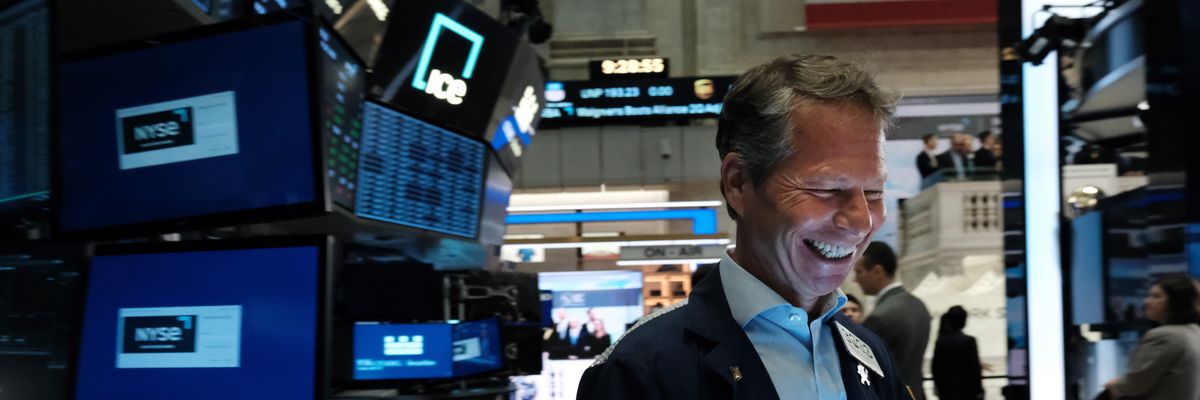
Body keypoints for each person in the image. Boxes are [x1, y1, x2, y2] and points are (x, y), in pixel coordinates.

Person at [578, 54, 913, 400]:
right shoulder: (642, 369)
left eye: (874, 191)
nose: (861, 220)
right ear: (738, 183)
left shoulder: (872, 358)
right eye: (826, 188)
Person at [854, 241, 932, 400]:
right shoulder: (918, 305)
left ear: (877, 271)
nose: (856, 279)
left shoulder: (880, 317)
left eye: (859, 271)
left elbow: (864, 374)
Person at [1103, 274, 1200, 399]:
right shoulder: (1194, 332)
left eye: (1156, 296)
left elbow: (1135, 385)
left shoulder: (1165, 336)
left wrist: (1116, 384)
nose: (1146, 301)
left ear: (1177, 302)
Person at [931, 306, 984, 400]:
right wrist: (979, 390)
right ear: (964, 321)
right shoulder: (969, 341)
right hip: (967, 391)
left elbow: (936, 368)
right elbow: (974, 369)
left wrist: (938, 386)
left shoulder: (941, 341)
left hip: (947, 390)